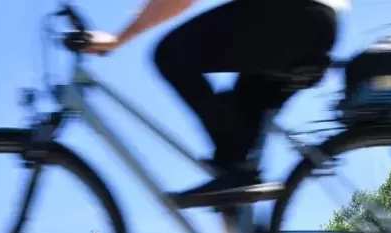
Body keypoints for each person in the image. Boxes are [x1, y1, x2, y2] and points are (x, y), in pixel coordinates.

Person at [83, 0, 349, 203]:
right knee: (234, 165)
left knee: (172, 54)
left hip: (290, 15)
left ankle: (233, 172)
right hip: (319, 26)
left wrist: (119, 38)